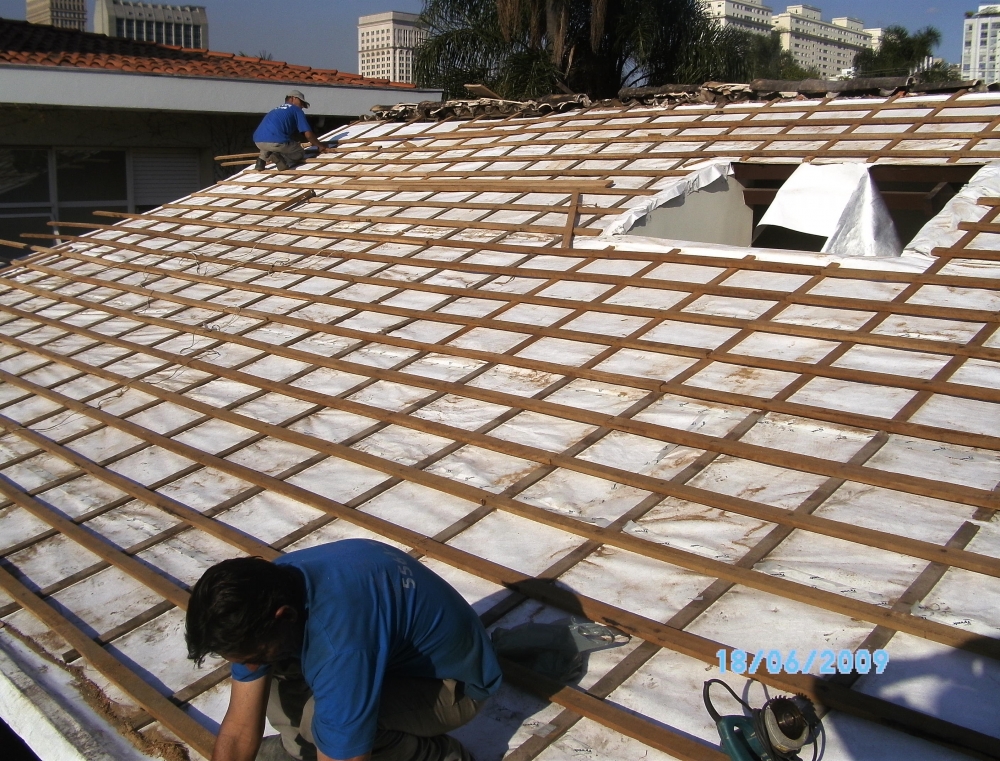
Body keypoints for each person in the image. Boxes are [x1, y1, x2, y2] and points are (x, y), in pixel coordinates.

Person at [185, 539, 502, 761]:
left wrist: (339, 744)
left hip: (454, 686)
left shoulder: (342, 642)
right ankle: (306, 750)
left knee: (320, 722)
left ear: (285, 616)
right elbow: (240, 728)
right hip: (386, 652)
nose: (249, 667)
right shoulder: (270, 588)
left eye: (251, 658)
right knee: (275, 670)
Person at [253, 89, 328, 171]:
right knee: (299, 152)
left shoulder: (276, 109)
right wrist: (320, 146)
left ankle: (260, 162)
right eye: (301, 103)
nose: (302, 106)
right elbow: (308, 134)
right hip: (276, 142)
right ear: (293, 98)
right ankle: (281, 159)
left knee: (270, 145)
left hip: (258, 141)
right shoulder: (296, 110)